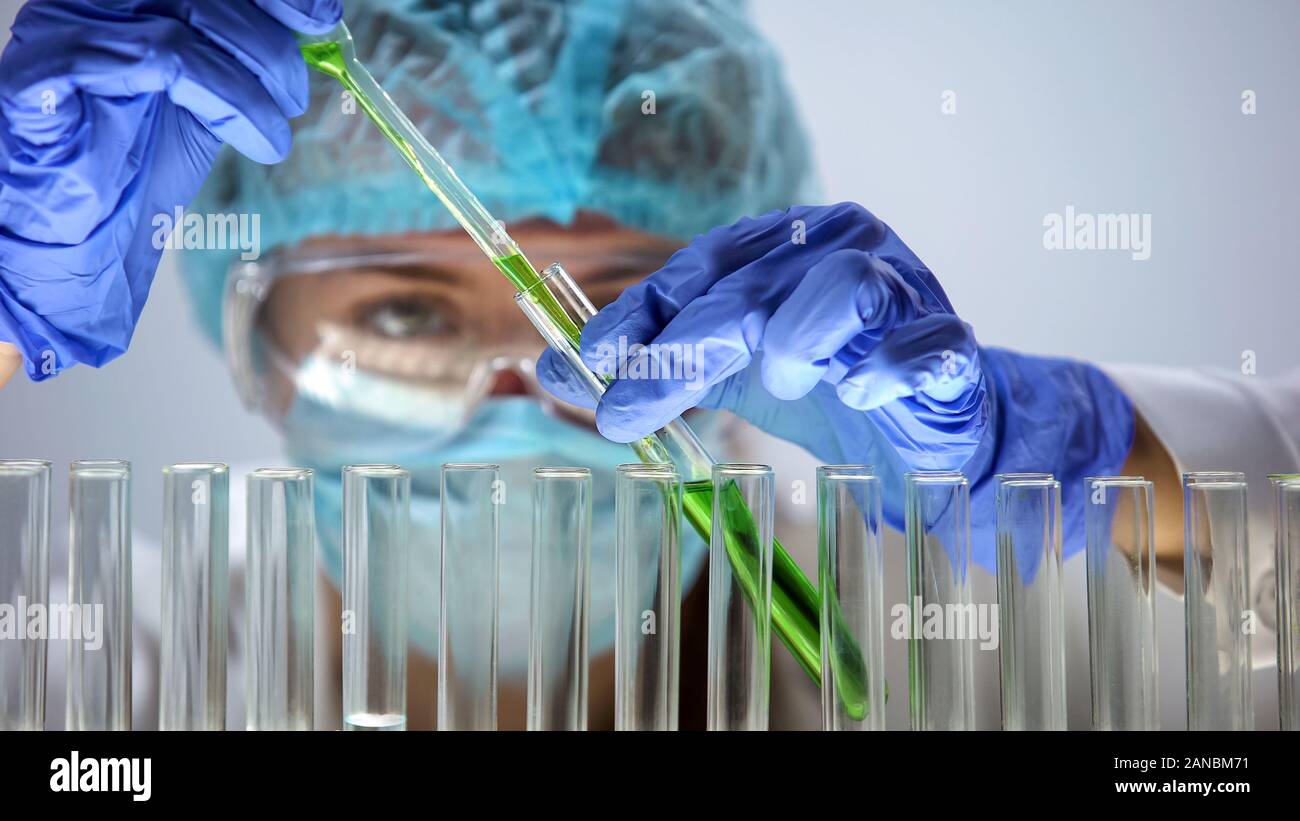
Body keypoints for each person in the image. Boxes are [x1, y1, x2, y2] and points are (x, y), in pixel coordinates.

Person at [1, 0, 1295, 729]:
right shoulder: (82, 669)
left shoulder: (989, 634)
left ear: (767, 332)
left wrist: (1067, 448)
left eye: (614, 315)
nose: (526, 395)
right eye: (403, 316)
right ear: (253, 336)